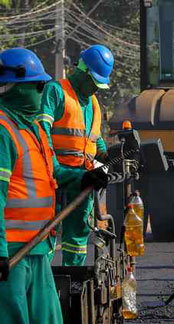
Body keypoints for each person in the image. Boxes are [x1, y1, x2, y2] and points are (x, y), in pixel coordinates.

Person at [0, 48, 106, 324]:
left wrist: (84, 178)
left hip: (37, 244)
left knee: (49, 318)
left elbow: (54, 172)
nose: (42, 91)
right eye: (37, 85)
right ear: (14, 88)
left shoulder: (31, 129)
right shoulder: (2, 131)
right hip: (12, 252)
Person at [38, 44, 112, 266]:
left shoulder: (94, 103)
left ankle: (74, 276)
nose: (95, 89)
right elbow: (42, 131)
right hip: (54, 177)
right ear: (83, 71)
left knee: (79, 232)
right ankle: (44, 280)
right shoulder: (56, 91)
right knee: (47, 230)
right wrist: (53, 168)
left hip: (82, 179)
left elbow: (94, 138)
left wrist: (107, 156)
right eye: (94, 82)